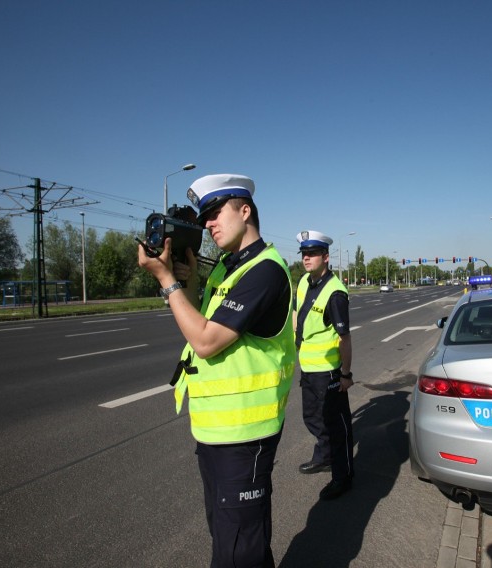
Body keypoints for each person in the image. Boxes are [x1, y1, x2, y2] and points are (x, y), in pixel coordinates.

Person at [138, 173, 295, 568]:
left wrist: (166, 280)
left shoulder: (265, 270)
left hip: (246, 434)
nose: (207, 223)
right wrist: (183, 281)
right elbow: (198, 323)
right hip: (215, 432)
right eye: (204, 216)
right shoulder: (228, 267)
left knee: (238, 548)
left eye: (215, 212)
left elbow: (206, 341)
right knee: (232, 536)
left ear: (246, 211)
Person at [294, 230, 355, 500]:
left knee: (336, 424)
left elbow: (345, 338)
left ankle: (343, 475)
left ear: (326, 257)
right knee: (312, 417)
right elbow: (298, 313)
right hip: (308, 368)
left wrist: (345, 375)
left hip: (329, 370)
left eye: (312, 254)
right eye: (304, 254)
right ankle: (324, 457)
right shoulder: (305, 282)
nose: (307, 258)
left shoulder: (335, 292)